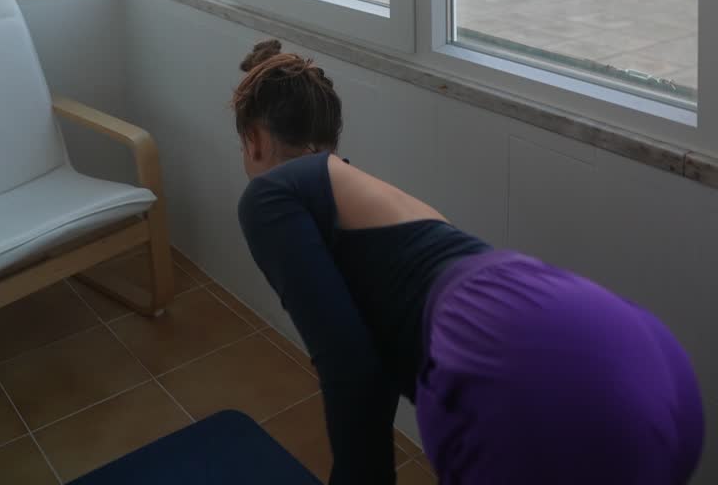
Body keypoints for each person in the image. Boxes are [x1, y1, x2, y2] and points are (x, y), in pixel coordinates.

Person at [234, 40, 704, 485]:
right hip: (632, 347)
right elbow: (367, 369)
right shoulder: (364, 195)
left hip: (514, 373)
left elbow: (351, 371)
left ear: (254, 139)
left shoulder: (269, 196)